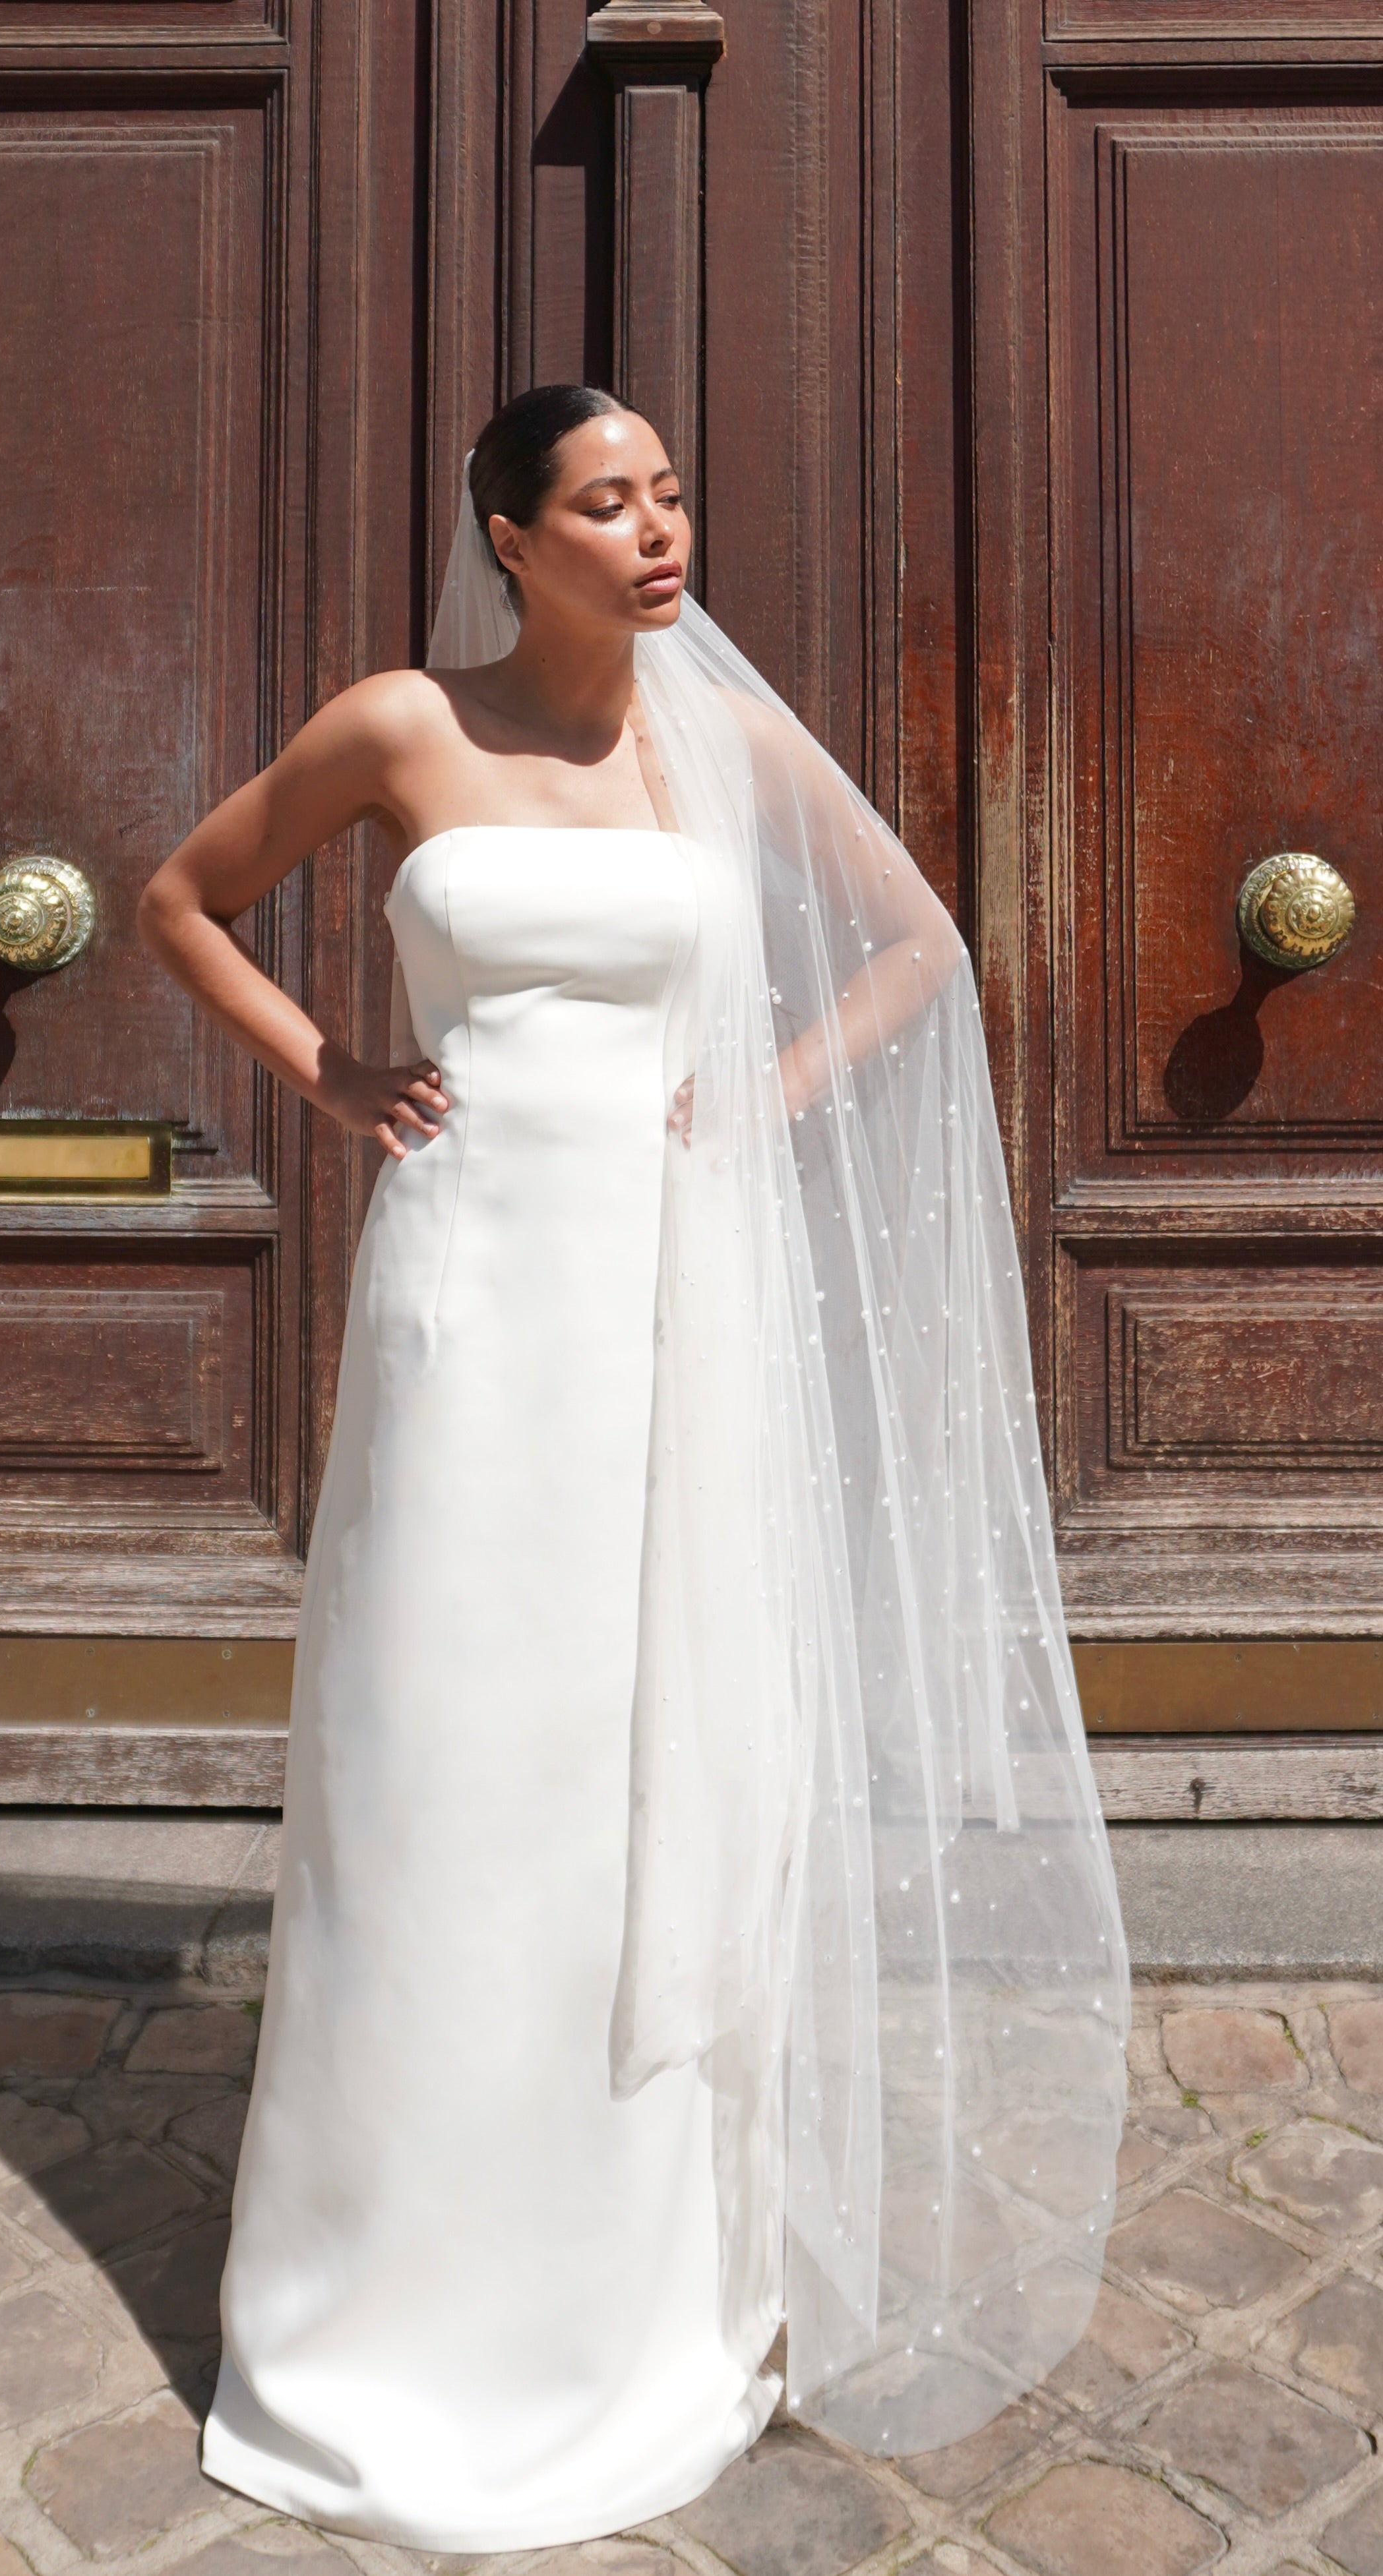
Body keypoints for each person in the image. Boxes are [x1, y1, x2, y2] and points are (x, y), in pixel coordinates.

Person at [138, 384, 1129, 2550]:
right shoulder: (403, 723)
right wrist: (331, 1073)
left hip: (676, 1314)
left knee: (643, 1762)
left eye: (671, 492)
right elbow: (182, 897)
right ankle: (382, 2304)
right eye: (607, 501)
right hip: (470, 1305)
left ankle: (636, 2287)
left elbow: (919, 948)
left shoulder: (720, 736)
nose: (656, 531)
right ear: (510, 532)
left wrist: (763, 1095)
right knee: (442, 1768)